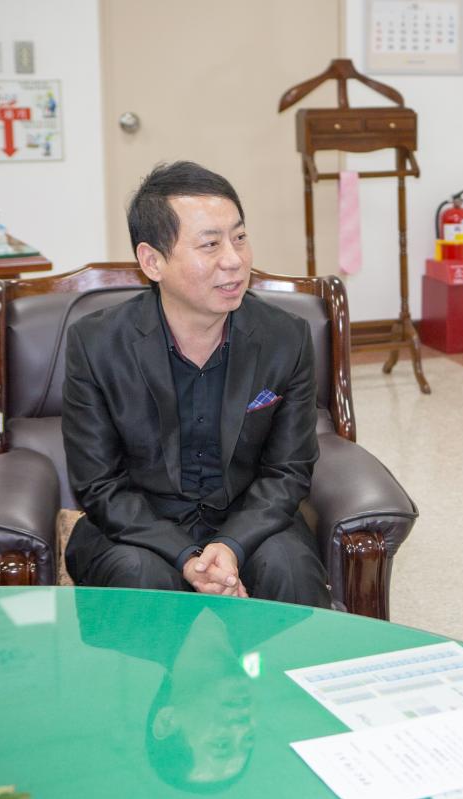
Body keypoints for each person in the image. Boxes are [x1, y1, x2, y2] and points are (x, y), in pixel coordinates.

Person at [62, 161, 332, 608]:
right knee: (140, 576)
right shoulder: (96, 344)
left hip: (249, 520)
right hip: (138, 529)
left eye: (240, 238)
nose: (234, 260)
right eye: (210, 244)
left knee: (289, 568)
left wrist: (231, 545)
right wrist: (186, 556)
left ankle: (289, 679)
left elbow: (288, 470)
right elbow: (99, 484)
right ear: (152, 261)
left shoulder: (286, 337)